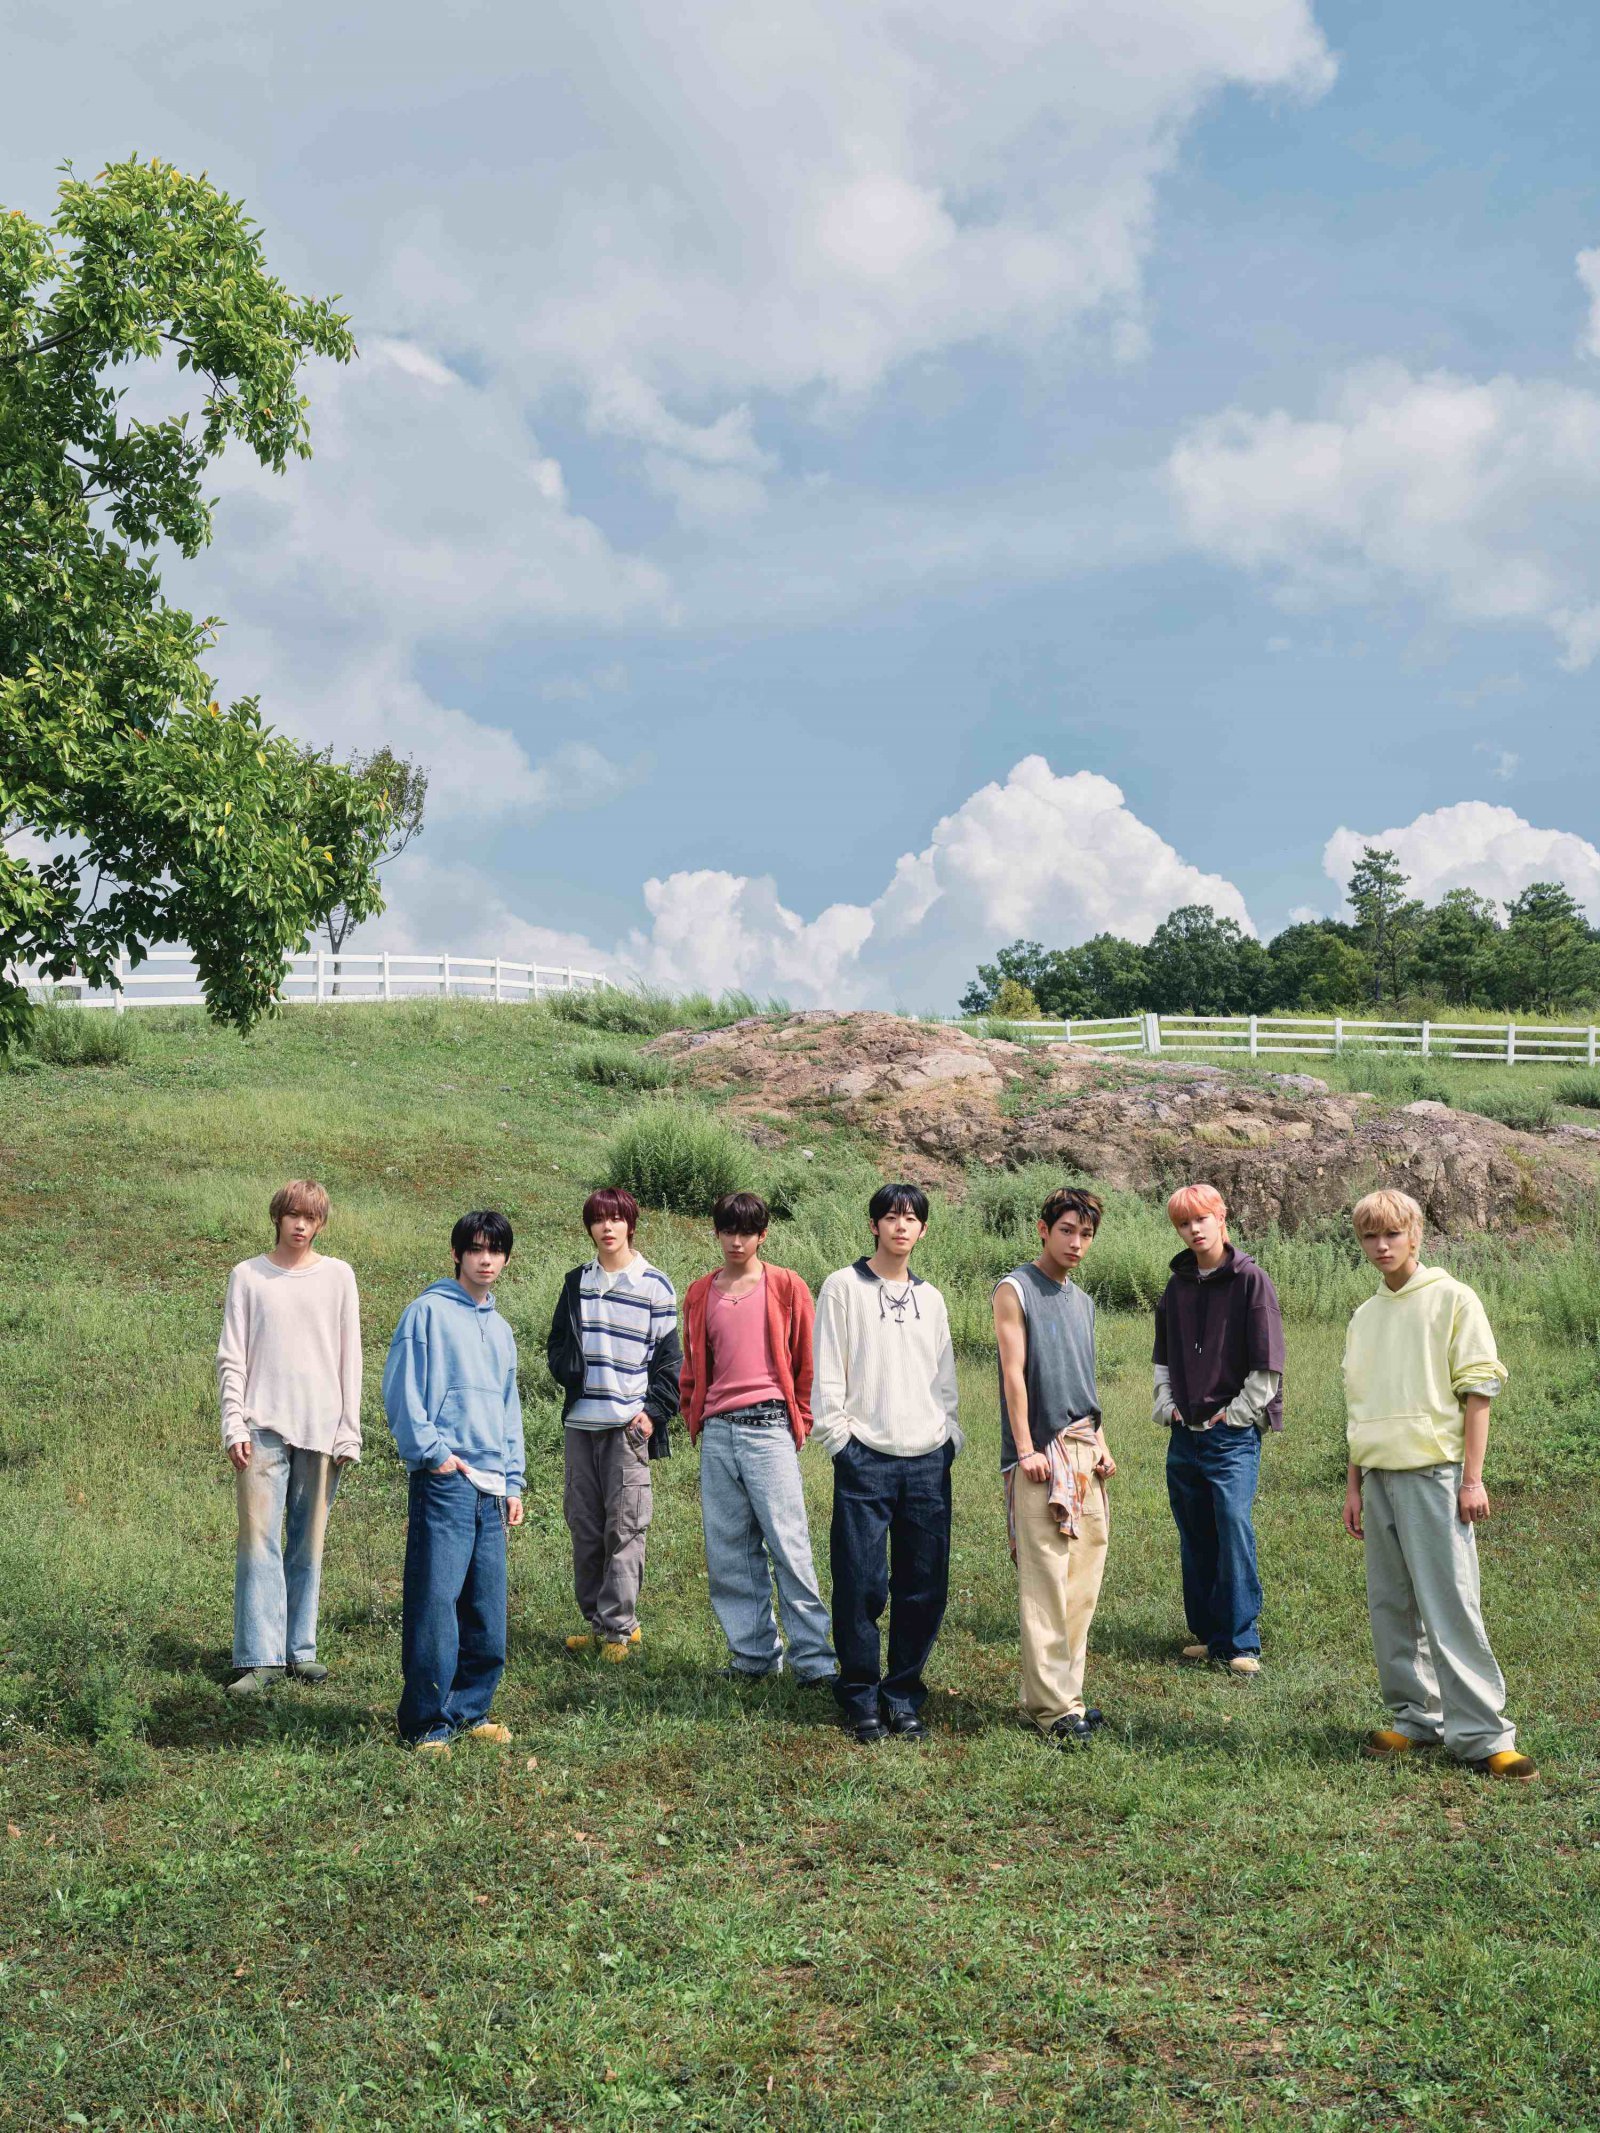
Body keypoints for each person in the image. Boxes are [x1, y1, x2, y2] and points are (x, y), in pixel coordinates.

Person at [1341, 1189, 1536, 1780]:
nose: (1381, 1246)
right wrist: (1354, 1486)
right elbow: (1359, 1407)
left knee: (1450, 1602)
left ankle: (1483, 1733)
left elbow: (1478, 1392)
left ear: (1415, 1235)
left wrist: (1472, 1479)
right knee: (1392, 1606)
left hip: (1435, 1473)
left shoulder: (1453, 1298)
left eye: (1392, 1234)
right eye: (1370, 1236)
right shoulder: (1364, 1315)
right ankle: (1415, 1718)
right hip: (1378, 1474)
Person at [813, 1183, 962, 1744]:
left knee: (924, 1586)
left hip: (927, 1462)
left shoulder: (933, 1299)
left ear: (923, 1229)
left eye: (912, 1218)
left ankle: (902, 1694)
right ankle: (859, 1696)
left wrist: (948, 1438)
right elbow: (828, 1372)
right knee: (861, 1583)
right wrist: (841, 1443)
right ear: (874, 1224)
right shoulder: (842, 1287)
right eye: (891, 1216)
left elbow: (944, 1378)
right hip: (865, 1459)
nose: (901, 1226)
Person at [383, 1211, 524, 1758]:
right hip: (446, 1480)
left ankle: (470, 1710)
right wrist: (434, 1455)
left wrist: (512, 1480)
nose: (486, 1260)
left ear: (505, 1259)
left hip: (492, 1486)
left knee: (486, 1606)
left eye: (495, 1251)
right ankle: (426, 1723)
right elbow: (402, 1391)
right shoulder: (427, 1312)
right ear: (458, 1254)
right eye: (476, 1249)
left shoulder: (502, 1329)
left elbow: (509, 1409)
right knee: (435, 1602)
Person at [680, 1192, 835, 1684]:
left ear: (763, 1235)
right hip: (718, 1432)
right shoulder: (700, 1292)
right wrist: (694, 1412)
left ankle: (814, 1662)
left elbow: (808, 1360)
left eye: (747, 1232)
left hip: (769, 1428)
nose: (737, 1241)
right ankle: (752, 1658)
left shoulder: (786, 1285)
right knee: (728, 1550)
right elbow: (692, 1364)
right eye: (728, 1230)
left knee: (789, 1546)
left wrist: (800, 1418)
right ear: (716, 1232)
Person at [218, 1180, 362, 1698]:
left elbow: (350, 1356)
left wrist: (349, 1430)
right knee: (258, 1541)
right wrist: (233, 1422)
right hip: (261, 1425)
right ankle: (261, 1657)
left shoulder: (338, 1276)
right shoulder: (248, 1276)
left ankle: (300, 1650)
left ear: (321, 1223)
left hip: (321, 1428)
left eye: (311, 1217)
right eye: (293, 1215)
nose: (301, 1225)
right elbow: (232, 1356)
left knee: (308, 1541)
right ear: (277, 1217)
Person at [994, 1187, 1115, 1750]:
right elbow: (1013, 1374)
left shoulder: (1082, 1301)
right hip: (1041, 1454)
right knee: (1045, 1579)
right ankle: (1051, 1709)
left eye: (1086, 1234)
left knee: (1082, 1582)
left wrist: (1102, 1442)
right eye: (1067, 1230)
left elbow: (1083, 1381)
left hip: (1085, 1448)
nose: (1076, 1243)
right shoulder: (1015, 1289)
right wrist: (1025, 1449)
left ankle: (1067, 1696)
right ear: (1043, 1230)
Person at [1153, 1183, 1284, 1678]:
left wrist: (1236, 1414)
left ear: (1221, 1217)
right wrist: (1168, 1408)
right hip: (1184, 1433)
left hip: (1230, 1436)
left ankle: (1241, 1640)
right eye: (1183, 1223)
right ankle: (1210, 1636)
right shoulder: (1177, 1286)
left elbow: (1267, 1363)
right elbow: (1163, 1356)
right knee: (1195, 1531)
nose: (1193, 1230)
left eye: (1200, 1219)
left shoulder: (1250, 1280)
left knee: (1231, 1526)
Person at [546, 1187, 681, 1663]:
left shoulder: (655, 1285)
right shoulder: (576, 1282)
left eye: (616, 1219)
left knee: (624, 1529)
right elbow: (557, 1342)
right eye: (598, 1219)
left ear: (630, 1224)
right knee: (584, 1526)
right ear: (589, 1227)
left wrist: (652, 1414)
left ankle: (620, 1630)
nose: (607, 1227)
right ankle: (597, 1623)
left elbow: (671, 1363)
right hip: (581, 1425)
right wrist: (568, 1369)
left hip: (627, 1427)